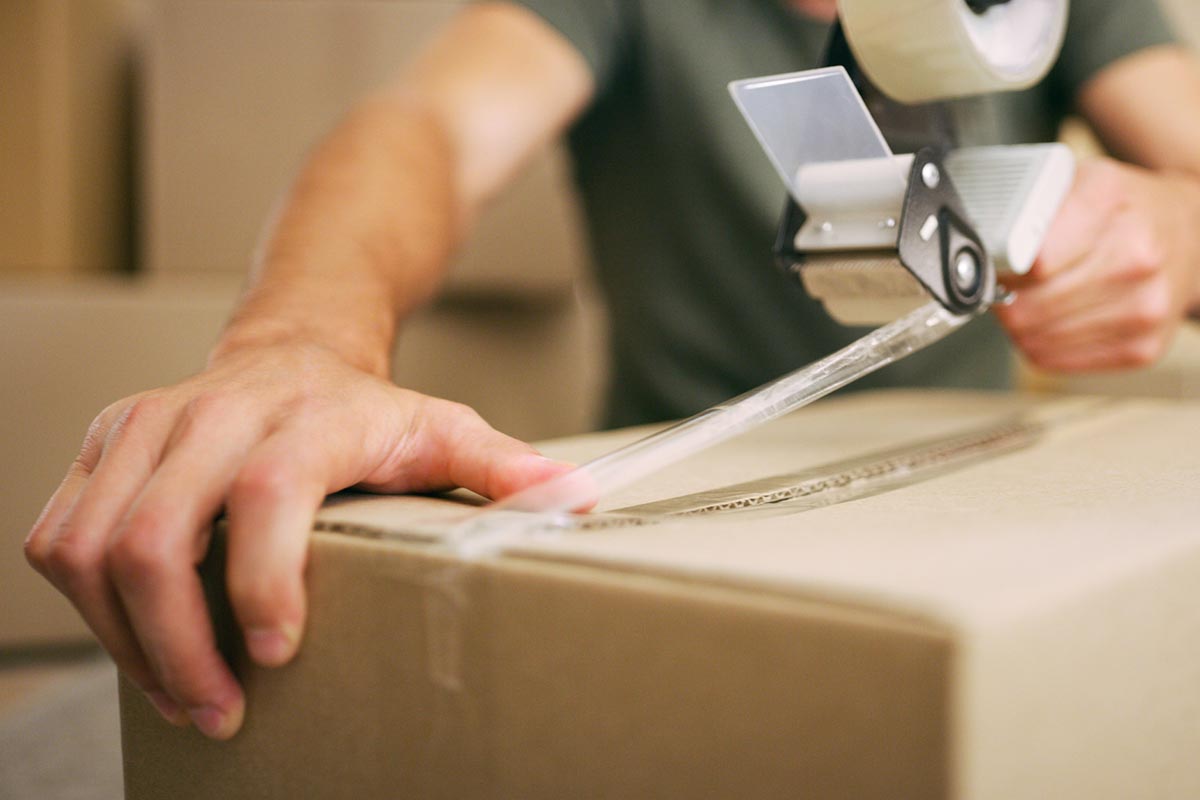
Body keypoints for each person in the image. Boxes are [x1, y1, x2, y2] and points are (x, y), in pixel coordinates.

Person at [24, 0, 1200, 740]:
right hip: (663, 528)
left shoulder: (1046, 11)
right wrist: (298, 342)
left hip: (984, 518)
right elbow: (426, 128)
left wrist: (1174, 234)